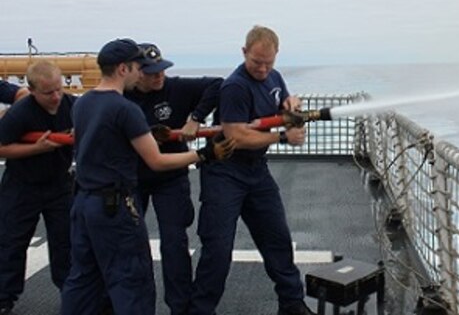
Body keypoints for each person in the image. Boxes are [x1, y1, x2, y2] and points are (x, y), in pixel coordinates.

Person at [60, 38, 234, 315]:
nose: (143, 73)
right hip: (116, 202)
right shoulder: (125, 108)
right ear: (123, 69)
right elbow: (156, 160)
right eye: (138, 68)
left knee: (82, 277)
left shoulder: (82, 105)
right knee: (131, 279)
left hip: (84, 200)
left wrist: (195, 117)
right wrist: (205, 154)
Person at [189, 26, 314, 315]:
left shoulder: (274, 77)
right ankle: (200, 310)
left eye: (269, 62)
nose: (262, 68)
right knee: (217, 250)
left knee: (278, 239)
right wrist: (282, 137)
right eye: (257, 61)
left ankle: (292, 304)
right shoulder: (235, 86)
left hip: (257, 171)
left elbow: (284, 102)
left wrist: (291, 104)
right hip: (225, 171)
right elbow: (236, 136)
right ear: (244, 52)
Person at [124, 43, 223, 315]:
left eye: (162, 70)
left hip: (171, 177)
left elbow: (217, 84)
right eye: (152, 72)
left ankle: (179, 308)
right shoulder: (121, 97)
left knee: (174, 243)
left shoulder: (176, 88)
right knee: (131, 243)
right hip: (134, 178)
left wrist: (195, 117)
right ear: (135, 72)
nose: (159, 77)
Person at [0, 61, 75, 315]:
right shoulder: (20, 113)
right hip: (22, 186)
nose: (55, 97)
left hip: (60, 183)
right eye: (47, 93)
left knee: (66, 242)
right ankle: (4, 297)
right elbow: (1, 147)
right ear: (31, 90)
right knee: (11, 242)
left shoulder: (73, 106)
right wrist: (37, 148)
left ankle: (72, 294)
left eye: (58, 89)